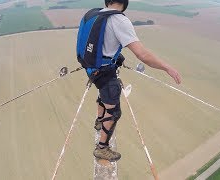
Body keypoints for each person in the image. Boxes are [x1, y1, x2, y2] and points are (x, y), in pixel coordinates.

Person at [76, 0, 182, 162]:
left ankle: (99, 121)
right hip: (103, 72)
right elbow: (143, 55)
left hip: (90, 66)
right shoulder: (119, 20)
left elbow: (100, 43)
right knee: (114, 112)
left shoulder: (94, 14)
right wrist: (167, 67)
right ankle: (102, 148)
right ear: (125, 3)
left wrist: (114, 57)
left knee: (104, 93)